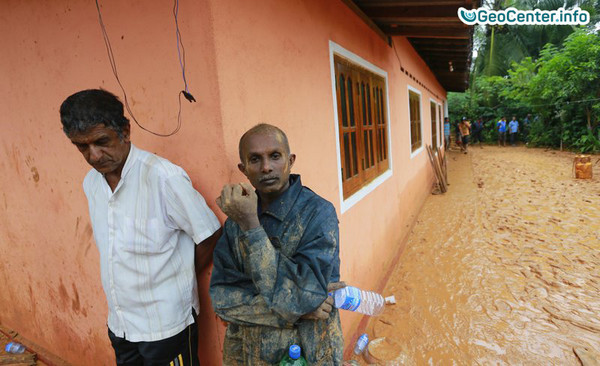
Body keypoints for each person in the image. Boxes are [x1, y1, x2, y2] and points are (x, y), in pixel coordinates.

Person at [60, 89, 221, 365]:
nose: (94, 155)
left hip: (166, 324)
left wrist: (176, 276)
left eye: (101, 141)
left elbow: (209, 233)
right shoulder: (92, 183)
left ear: (125, 131)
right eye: (82, 146)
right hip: (121, 323)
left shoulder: (163, 178)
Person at [209, 124, 344, 365]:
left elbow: (306, 296)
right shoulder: (235, 221)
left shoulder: (318, 213)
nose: (266, 167)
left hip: (308, 353)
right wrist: (300, 312)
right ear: (244, 169)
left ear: (290, 160)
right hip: (246, 355)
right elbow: (223, 301)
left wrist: (252, 227)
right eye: (255, 159)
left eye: (275, 156)